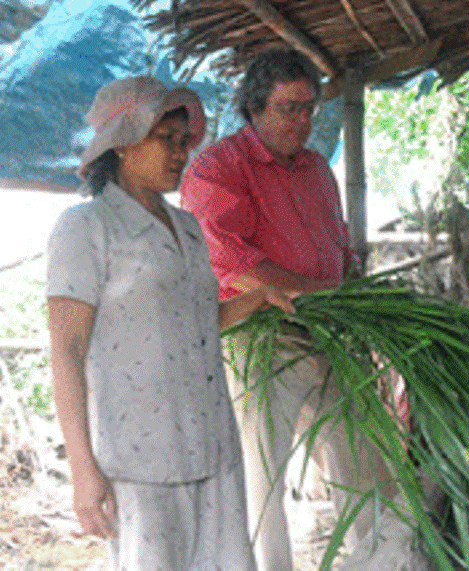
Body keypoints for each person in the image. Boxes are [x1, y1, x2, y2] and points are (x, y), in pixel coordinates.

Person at [47, 76, 293, 570]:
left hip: (214, 448)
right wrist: (82, 469)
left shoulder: (188, 228)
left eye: (185, 142)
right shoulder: (87, 227)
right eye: (166, 140)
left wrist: (259, 299)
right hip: (141, 459)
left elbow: (196, 323)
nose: (181, 154)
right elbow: (67, 350)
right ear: (122, 144)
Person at [179, 49, 394, 571]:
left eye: (310, 108)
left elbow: (338, 249)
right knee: (261, 477)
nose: (303, 120)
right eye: (289, 108)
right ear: (255, 106)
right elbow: (230, 260)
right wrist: (318, 295)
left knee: (365, 460)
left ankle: (381, 560)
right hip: (260, 336)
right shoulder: (218, 168)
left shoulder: (319, 169)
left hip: (328, 335)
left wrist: (350, 282)